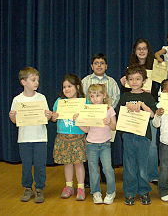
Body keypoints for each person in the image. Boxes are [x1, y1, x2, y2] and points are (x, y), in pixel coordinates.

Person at [9, 66, 52, 203]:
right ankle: (28, 188)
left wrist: (49, 115)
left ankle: (39, 188)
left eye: (37, 80)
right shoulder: (17, 100)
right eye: (33, 80)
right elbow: (15, 120)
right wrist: (12, 117)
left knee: (40, 165)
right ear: (23, 82)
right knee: (26, 165)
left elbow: (47, 117)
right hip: (24, 138)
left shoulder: (41, 98)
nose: (36, 83)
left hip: (40, 138)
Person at [120, 38, 160, 185]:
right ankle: (136, 175)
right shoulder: (129, 69)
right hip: (133, 108)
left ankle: (152, 175)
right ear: (135, 51)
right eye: (139, 48)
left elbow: (160, 87)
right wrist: (123, 83)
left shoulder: (156, 67)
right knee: (134, 143)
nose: (142, 51)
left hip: (149, 104)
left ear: (148, 51)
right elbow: (126, 93)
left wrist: (149, 91)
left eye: (144, 48)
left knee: (151, 143)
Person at [116, 65, 157, 205]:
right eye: (131, 79)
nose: (134, 82)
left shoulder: (147, 96)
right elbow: (118, 115)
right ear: (127, 81)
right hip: (128, 136)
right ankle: (129, 192)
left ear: (144, 80)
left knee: (142, 166)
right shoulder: (125, 96)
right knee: (129, 166)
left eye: (138, 79)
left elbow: (153, 115)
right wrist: (127, 107)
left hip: (144, 136)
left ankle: (144, 191)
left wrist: (142, 106)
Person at [81, 53, 120, 187]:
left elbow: (116, 97)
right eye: (96, 63)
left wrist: (106, 111)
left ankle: (105, 178)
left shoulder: (112, 82)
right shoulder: (85, 81)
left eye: (102, 63)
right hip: (90, 121)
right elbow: (82, 98)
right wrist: (90, 112)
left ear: (106, 66)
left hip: (106, 120)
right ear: (92, 66)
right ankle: (89, 182)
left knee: (107, 150)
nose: (99, 65)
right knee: (90, 154)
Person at [74, 84, 116, 205]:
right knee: (93, 170)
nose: (95, 98)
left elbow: (114, 127)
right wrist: (77, 121)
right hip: (91, 144)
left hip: (105, 144)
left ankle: (111, 192)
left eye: (98, 95)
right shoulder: (88, 110)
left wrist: (109, 123)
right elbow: (86, 130)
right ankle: (96, 192)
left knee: (107, 169)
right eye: (92, 96)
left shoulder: (109, 109)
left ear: (104, 96)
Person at [51, 74, 87, 201]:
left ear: (77, 87)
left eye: (69, 86)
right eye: (64, 87)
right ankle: (69, 186)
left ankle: (81, 188)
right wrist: (53, 117)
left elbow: (89, 119)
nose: (66, 89)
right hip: (63, 137)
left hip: (78, 137)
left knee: (78, 163)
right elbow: (54, 118)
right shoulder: (59, 102)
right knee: (67, 163)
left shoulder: (85, 101)